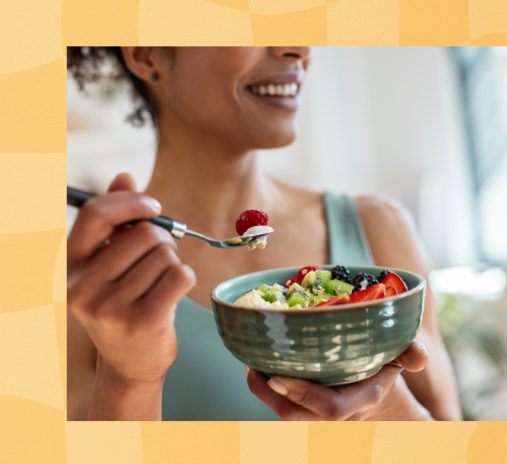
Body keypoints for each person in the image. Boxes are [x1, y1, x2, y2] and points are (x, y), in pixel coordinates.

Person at [67, 47, 461, 421]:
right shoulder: (89, 287)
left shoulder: (380, 226)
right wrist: (129, 379)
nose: (297, 48)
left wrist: (383, 406)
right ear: (146, 52)